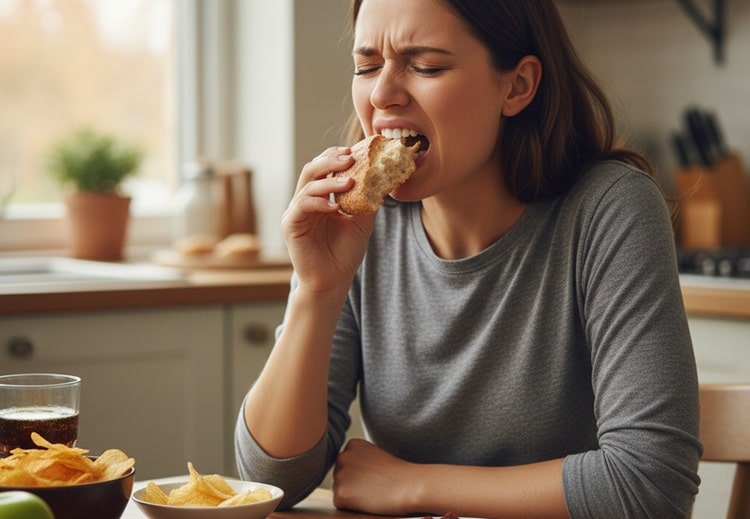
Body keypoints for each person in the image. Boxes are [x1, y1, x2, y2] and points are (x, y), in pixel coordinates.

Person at [235, 1, 702, 517]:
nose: (383, 94)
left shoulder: (609, 209)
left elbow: (650, 486)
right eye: (366, 66)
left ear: (517, 86)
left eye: (426, 66)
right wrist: (314, 290)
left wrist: (415, 486)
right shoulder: (363, 226)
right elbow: (271, 479)